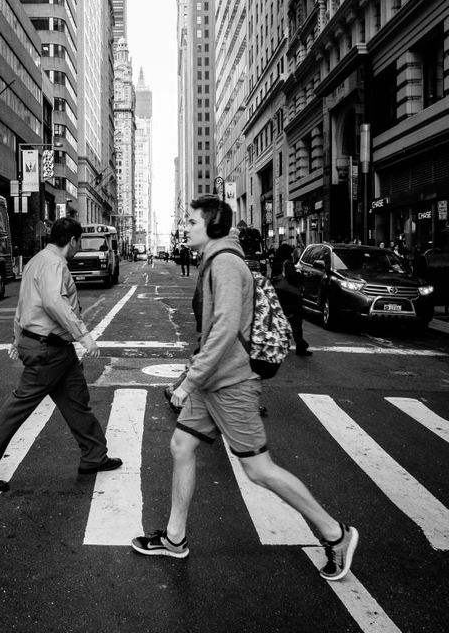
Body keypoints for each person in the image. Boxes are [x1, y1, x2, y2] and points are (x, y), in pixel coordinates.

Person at [131, 195, 359, 581]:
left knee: (259, 469)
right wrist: (195, 374)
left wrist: (191, 380)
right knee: (181, 446)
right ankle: (174, 538)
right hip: (212, 380)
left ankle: (334, 533)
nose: (184, 226)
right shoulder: (216, 260)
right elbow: (213, 333)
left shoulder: (225, 264)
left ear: (214, 227)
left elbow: (224, 329)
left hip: (232, 382)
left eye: (190, 221)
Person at [0, 217, 122, 492]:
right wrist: (84, 335)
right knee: (19, 405)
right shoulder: (54, 263)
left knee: (76, 401)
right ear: (73, 241)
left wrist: (17, 339)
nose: (78, 248)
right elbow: (53, 302)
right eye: (78, 243)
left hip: (51, 347)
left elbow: (23, 305)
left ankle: (94, 455)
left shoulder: (36, 260)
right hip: (48, 348)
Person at [271, 243, 311, 357]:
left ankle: (277, 344)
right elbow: (292, 278)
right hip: (290, 295)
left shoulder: (276, 263)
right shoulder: (287, 263)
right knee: (296, 320)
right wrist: (299, 274)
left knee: (280, 319)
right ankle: (300, 345)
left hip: (278, 293)